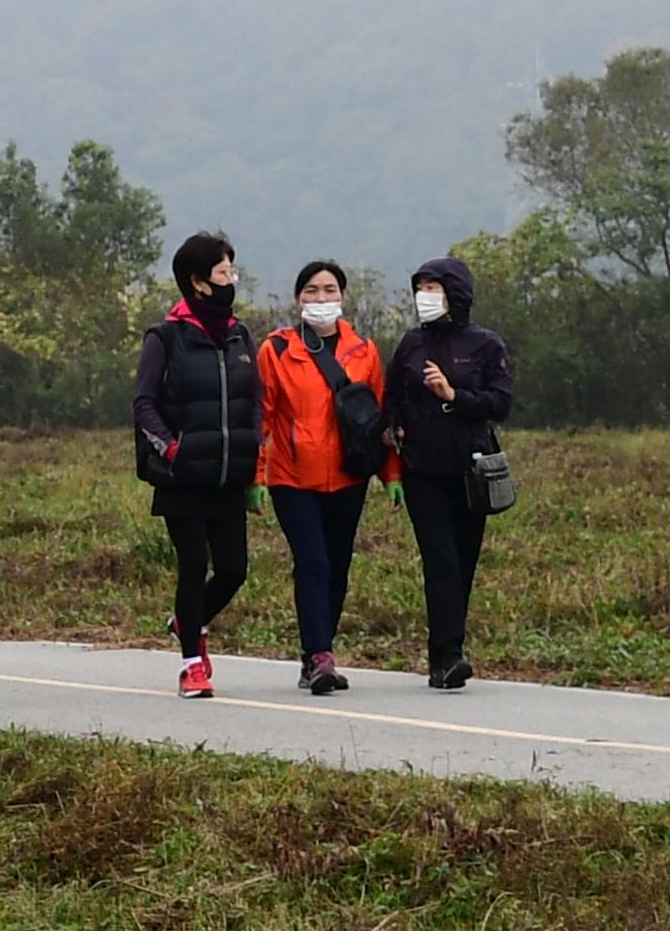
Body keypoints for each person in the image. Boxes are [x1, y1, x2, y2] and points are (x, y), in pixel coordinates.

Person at [255, 259, 392, 694]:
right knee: (312, 562)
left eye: (329, 290)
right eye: (311, 291)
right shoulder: (276, 350)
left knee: (338, 565)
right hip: (292, 477)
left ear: (343, 297)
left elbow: (377, 420)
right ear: (298, 299)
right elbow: (261, 418)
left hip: (348, 477)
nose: (321, 299)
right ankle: (320, 657)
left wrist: (391, 474)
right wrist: (256, 477)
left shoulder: (365, 351)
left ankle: (317, 651)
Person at [132, 232, 257, 699]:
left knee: (233, 570)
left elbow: (253, 400)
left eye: (232, 271)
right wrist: (171, 449)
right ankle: (191, 664)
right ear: (198, 283)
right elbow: (144, 403)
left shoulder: (240, 335)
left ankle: (188, 621)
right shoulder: (165, 337)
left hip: (228, 474)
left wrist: (253, 446)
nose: (231, 281)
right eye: (224, 273)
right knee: (193, 564)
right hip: (183, 476)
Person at [385, 253, 515, 690]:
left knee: (463, 562)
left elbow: (500, 402)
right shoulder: (410, 345)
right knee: (439, 560)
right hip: (423, 471)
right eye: (420, 288)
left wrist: (454, 394)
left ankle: (449, 647)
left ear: (455, 293)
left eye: (433, 288)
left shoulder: (485, 345)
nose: (425, 297)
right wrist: (392, 425)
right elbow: (392, 396)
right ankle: (446, 656)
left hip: (471, 470)